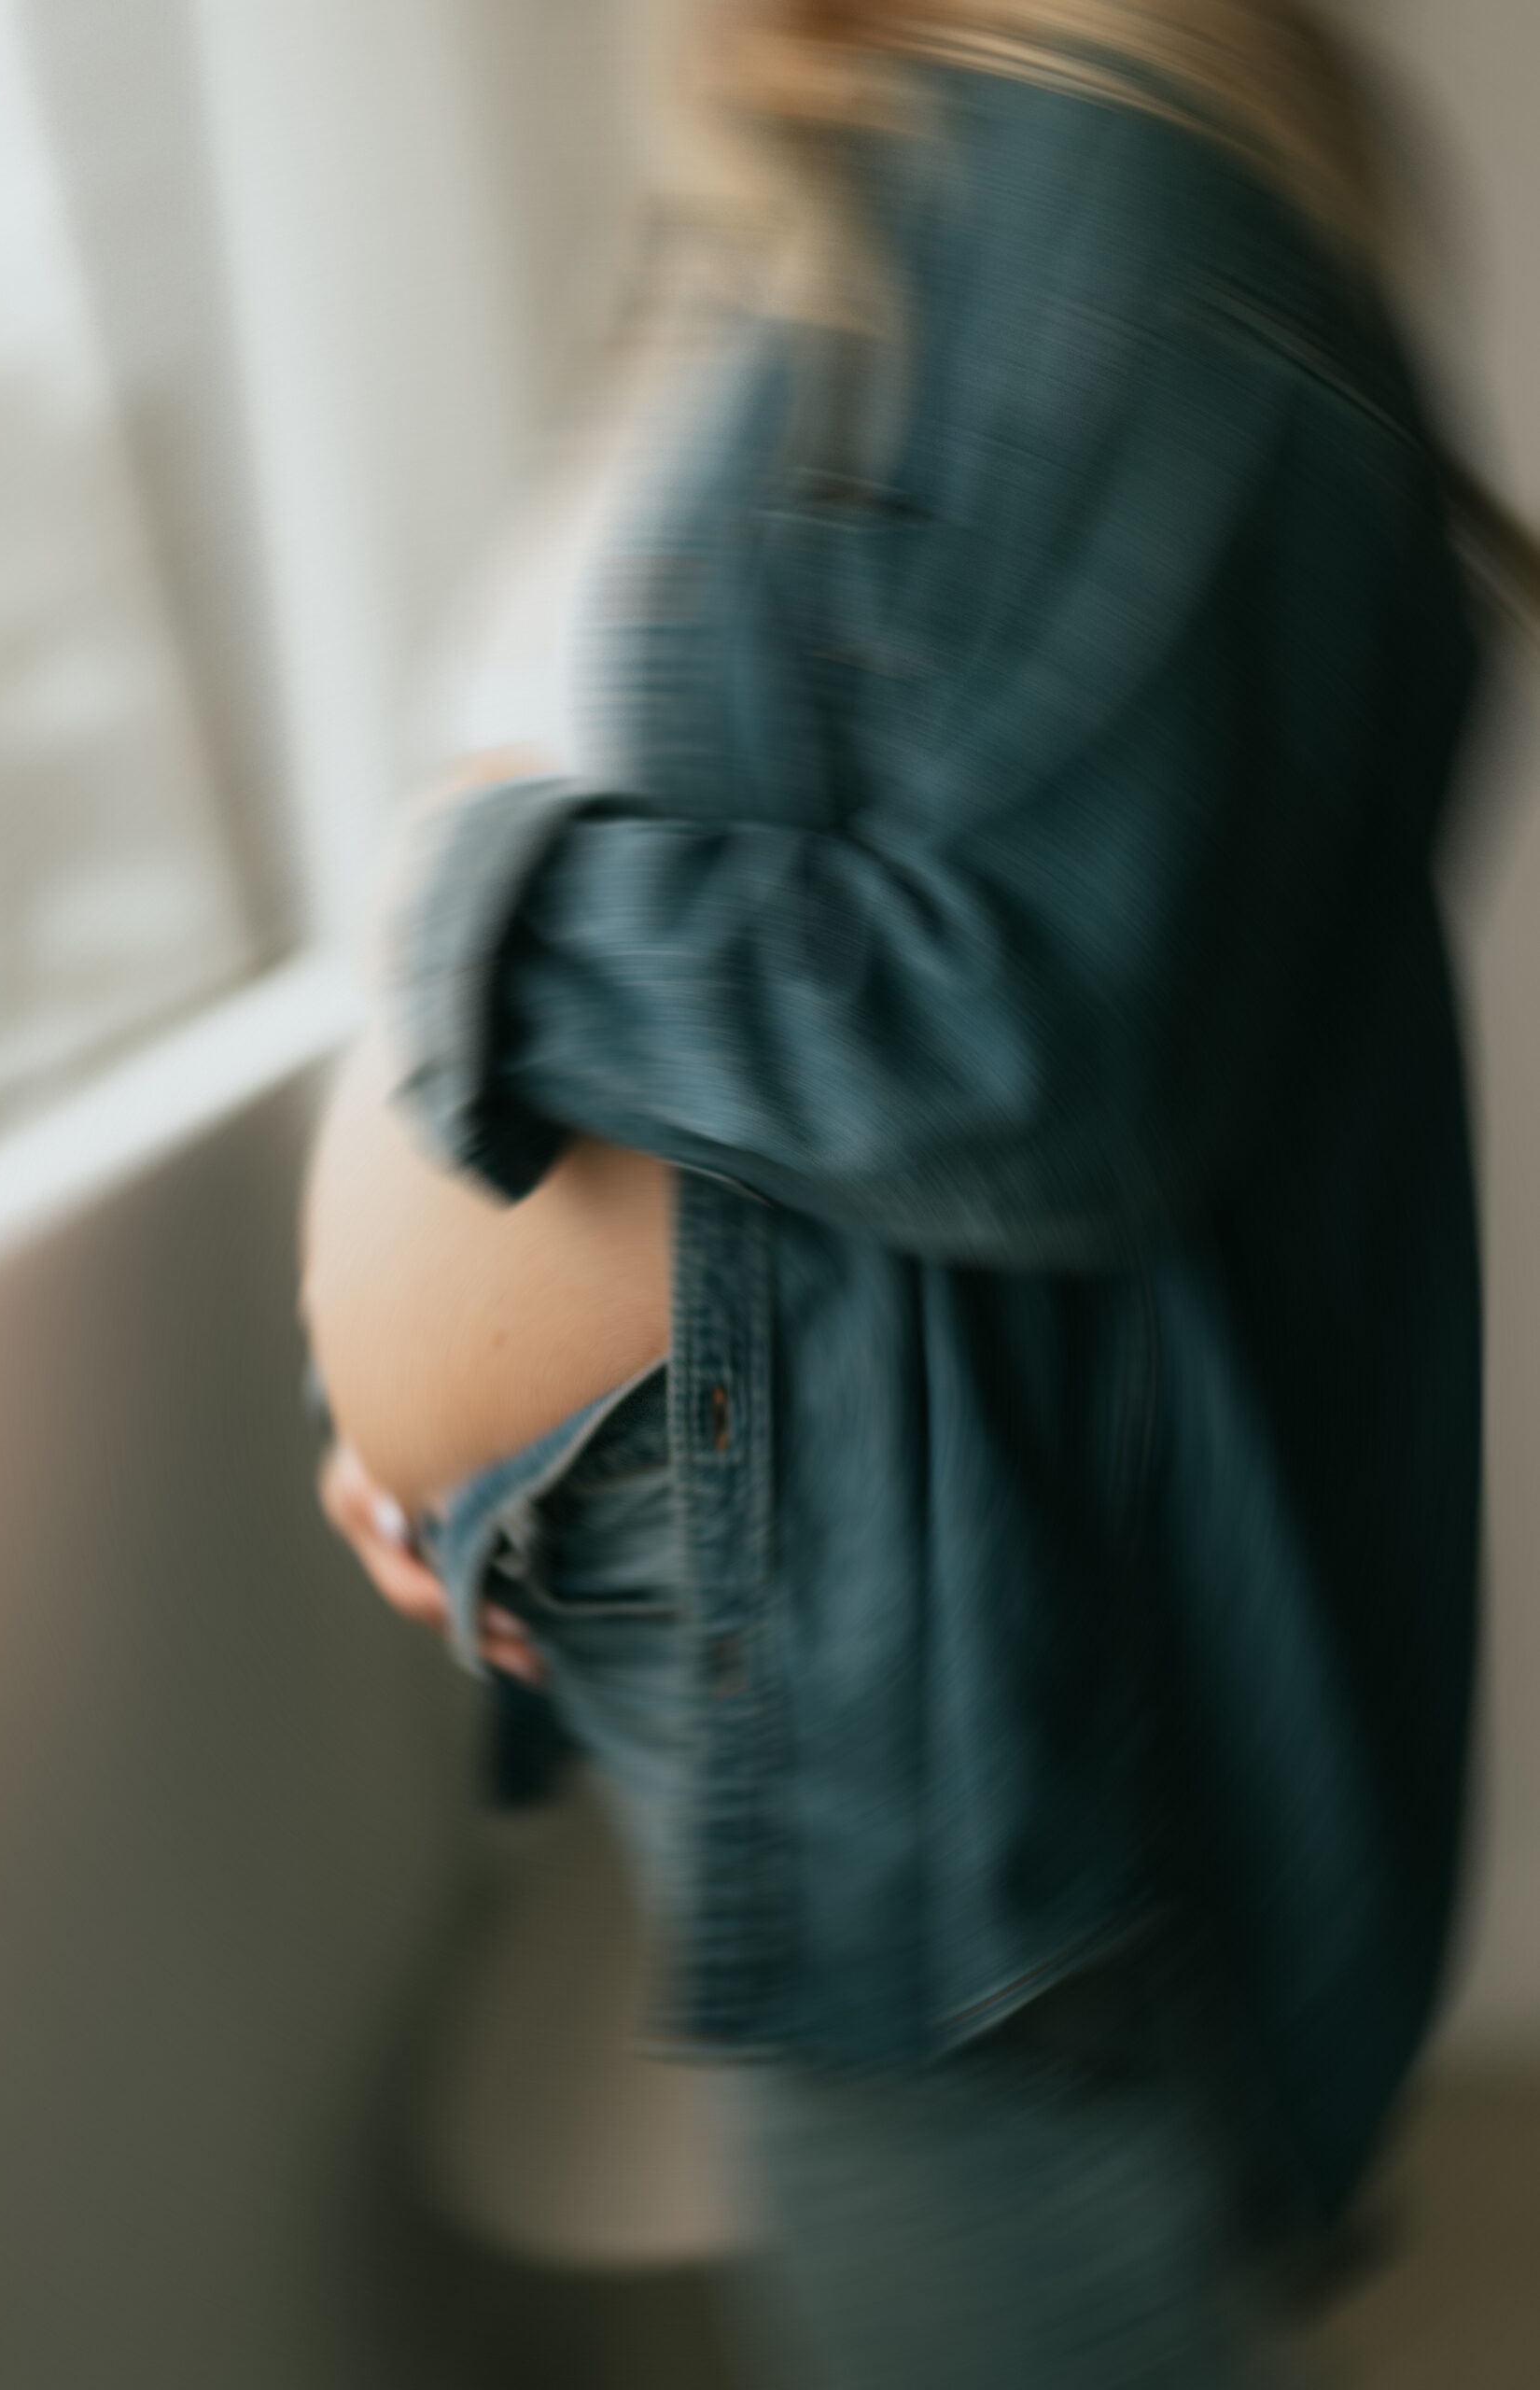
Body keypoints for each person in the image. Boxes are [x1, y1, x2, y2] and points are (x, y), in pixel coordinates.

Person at [309, 4, 1539, 2380]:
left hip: (904, 1592)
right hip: (719, 1545)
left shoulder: (1105, 199)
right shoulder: (826, 207)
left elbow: (1030, 1044)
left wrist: (467, 892)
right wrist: (420, 1417)